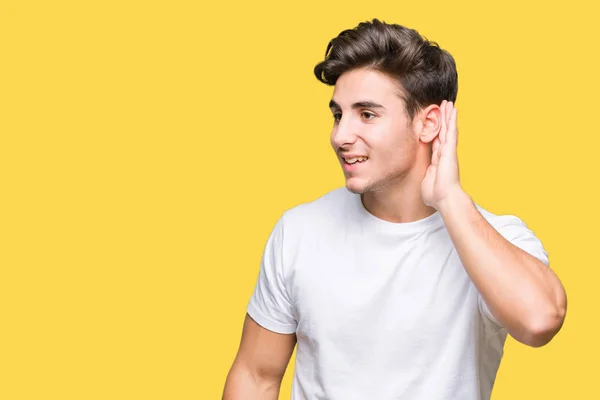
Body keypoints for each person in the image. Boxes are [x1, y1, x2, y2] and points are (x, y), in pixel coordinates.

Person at [222, 18, 567, 400]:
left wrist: (449, 198)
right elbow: (256, 376)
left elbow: (540, 321)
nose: (340, 136)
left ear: (428, 124)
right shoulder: (299, 230)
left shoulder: (494, 240)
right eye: (338, 115)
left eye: (366, 114)